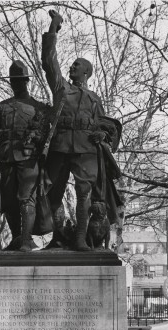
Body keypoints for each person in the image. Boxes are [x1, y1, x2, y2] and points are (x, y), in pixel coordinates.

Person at [41, 10, 107, 251]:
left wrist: (103, 135)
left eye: (76, 65)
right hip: (60, 145)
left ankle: (80, 237)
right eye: (71, 65)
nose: (71, 67)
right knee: (52, 192)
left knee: (84, 194)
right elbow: (49, 62)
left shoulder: (94, 99)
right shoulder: (61, 88)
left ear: (86, 72)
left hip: (86, 149)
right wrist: (53, 30)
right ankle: (58, 235)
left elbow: (104, 126)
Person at [0, 60, 49, 252]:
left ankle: (27, 239)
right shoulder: (2, 107)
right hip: (6, 158)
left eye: (20, 80)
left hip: (29, 159)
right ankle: (17, 238)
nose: (16, 83)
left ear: (27, 81)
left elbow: (44, 137)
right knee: (9, 200)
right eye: (14, 80)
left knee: (26, 199)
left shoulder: (39, 108)